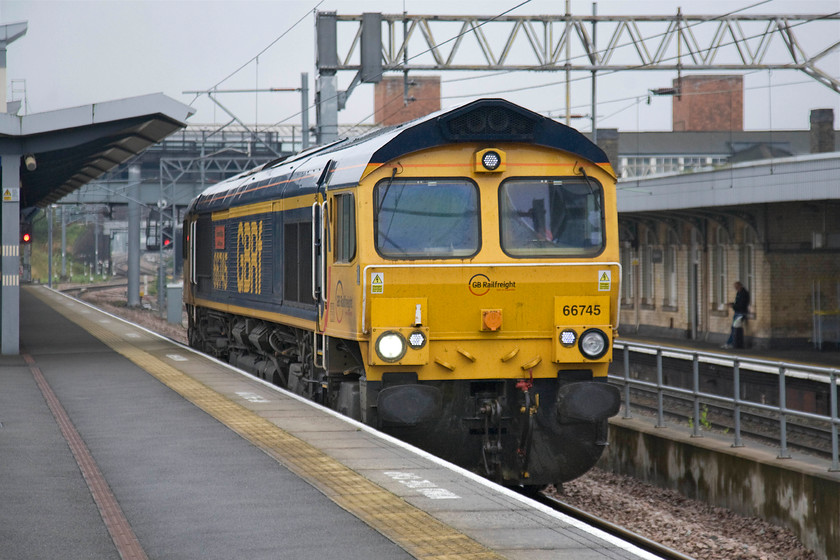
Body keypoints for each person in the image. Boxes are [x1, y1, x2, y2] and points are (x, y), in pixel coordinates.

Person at [724, 281, 750, 349]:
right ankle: (732, 343)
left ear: (740, 286)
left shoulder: (743, 294)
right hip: (738, 312)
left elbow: (741, 305)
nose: (736, 289)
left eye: (736, 287)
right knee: (734, 328)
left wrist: (733, 306)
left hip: (741, 313)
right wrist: (732, 304)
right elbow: (737, 303)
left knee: (735, 328)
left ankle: (731, 343)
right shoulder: (739, 293)